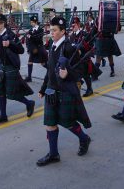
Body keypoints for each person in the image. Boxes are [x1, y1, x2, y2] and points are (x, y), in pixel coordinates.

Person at [37, 16, 91, 166]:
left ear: (62, 31)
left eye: (54, 30)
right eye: (50, 30)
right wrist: (43, 88)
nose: (51, 33)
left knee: (67, 122)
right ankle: (54, 154)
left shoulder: (69, 48)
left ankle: (83, 138)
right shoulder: (52, 46)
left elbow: (81, 71)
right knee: (50, 123)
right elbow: (49, 70)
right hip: (51, 91)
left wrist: (68, 74)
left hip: (65, 92)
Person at [0, 14, 35, 125]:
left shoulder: (10, 34)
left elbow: (20, 50)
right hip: (2, 66)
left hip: (11, 67)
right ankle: (3, 115)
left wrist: (10, 44)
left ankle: (29, 103)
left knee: (12, 93)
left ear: (2, 24)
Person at [69, 17, 97, 97]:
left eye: (74, 25)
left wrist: (81, 48)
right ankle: (79, 90)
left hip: (83, 58)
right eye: (72, 26)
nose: (72, 27)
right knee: (77, 75)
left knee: (85, 75)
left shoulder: (84, 34)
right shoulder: (72, 35)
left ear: (78, 25)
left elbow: (90, 45)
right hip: (74, 59)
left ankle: (89, 89)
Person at [24, 15, 48, 82]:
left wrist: (30, 36)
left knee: (43, 63)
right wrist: (29, 49)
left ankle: (51, 70)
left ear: (36, 22)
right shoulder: (30, 30)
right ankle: (29, 77)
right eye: (31, 22)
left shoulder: (41, 30)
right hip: (33, 49)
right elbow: (28, 41)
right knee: (30, 62)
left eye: (33, 22)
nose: (31, 24)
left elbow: (38, 39)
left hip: (39, 48)